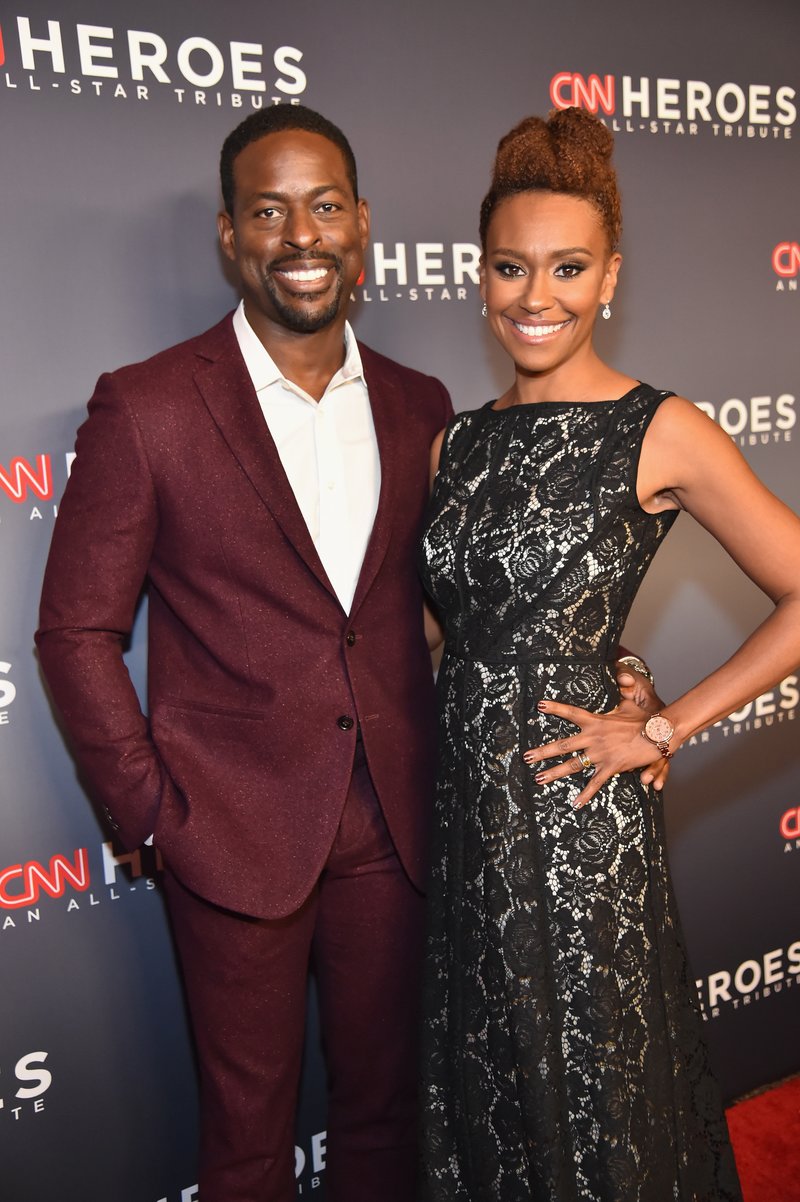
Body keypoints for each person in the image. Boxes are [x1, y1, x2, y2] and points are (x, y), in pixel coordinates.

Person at [35, 104, 454, 1202]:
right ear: (228, 234)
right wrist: (151, 809)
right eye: (268, 211)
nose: (300, 235)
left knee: (383, 1122)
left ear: (362, 224)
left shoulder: (421, 406)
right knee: (247, 1149)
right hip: (224, 831)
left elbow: (441, 608)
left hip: (393, 823)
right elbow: (75, 631)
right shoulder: (149, 405)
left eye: (323, 206)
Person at [419, 106, 800, 1201]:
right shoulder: (457, 437)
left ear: (609, 277)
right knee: (488, 1086)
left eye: (567, 267)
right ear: (479, 275)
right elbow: (451, 627)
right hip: (465, 817)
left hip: (577, 818)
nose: (534, 296)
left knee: (593, 1090)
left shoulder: (658, 427)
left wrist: (663, 720)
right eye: (509, 267)